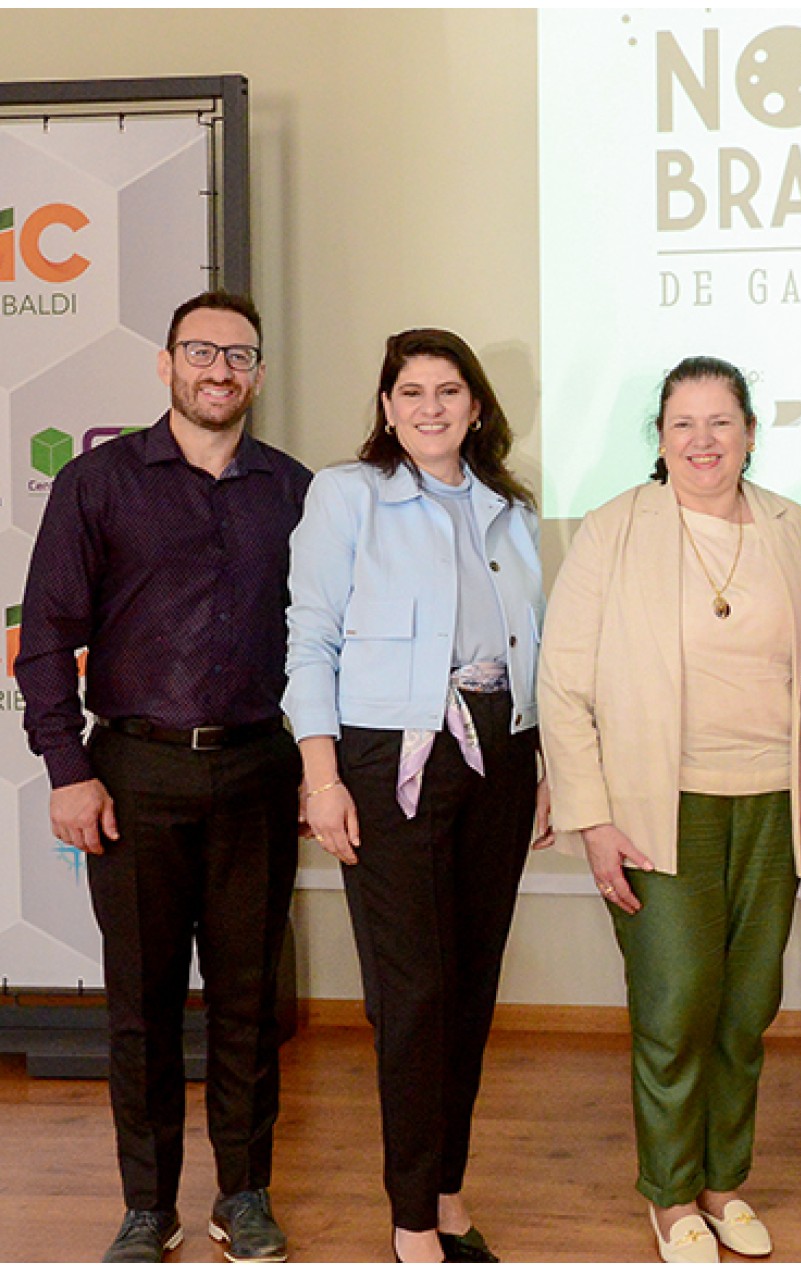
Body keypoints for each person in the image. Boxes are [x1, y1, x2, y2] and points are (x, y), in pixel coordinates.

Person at [17, 291, 310, 1264]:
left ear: (257, 372)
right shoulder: (98, 483)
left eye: (239, 355)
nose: (220, 370)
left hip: (258, 771)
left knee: (246, 1002)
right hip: (132, 775)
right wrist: (67, 769)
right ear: (167, 363)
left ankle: (244, 1194)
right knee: (140, 1005)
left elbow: (325, 638)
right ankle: (147, 1206)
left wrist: (319, 769)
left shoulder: (295, 490)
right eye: (201, 351)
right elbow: (45, 637)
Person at [538, 356, 801, 1264]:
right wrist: (592, 819)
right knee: (674, 1006)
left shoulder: (794, 529)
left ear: (750, 433)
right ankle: (669, 1195)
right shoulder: (614, 529)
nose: (703, 441)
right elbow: (562, 684)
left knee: (746, 1007)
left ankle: (723, 1182)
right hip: (657, 806)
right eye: (683, 424)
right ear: (660, 440)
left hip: (772, 803)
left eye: (721, 421)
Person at [285, 329, 551, 1264]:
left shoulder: (510, 508)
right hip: (386, 756)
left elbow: (535, 651)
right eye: (411, 392)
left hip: (501, 755)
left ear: (476, 407)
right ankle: (409, 1220)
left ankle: (446, 1190)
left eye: (448, 391)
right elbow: (310, 638)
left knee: (471, 988)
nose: (430, 407)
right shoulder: (348, 494)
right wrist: (320, 776)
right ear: (387, 408)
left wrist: (546, 766)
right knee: (413, 994)